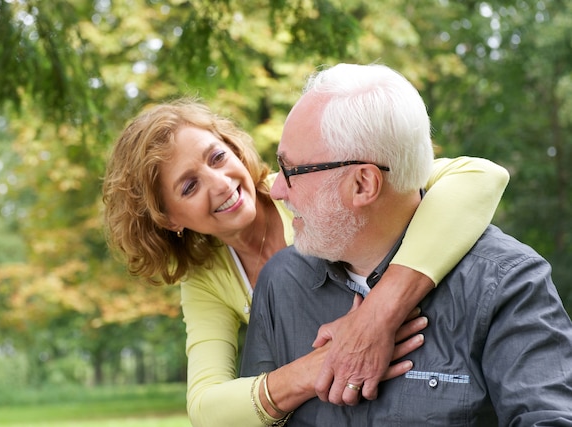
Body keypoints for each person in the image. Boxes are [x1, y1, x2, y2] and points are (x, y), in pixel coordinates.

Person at [102, 97, 509, 426]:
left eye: (217, 158)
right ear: (168, 218)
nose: (222, 183)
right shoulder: (206, 278)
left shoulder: (309, 189)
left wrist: (379, 313)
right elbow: (207, 408)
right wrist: (318, 367)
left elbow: (481, 177)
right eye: (189, 186)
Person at [240, 63, 572, 426]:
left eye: (291, 171)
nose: (276, 190)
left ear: (363, 184)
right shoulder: (282, 281)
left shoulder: (506, 284)